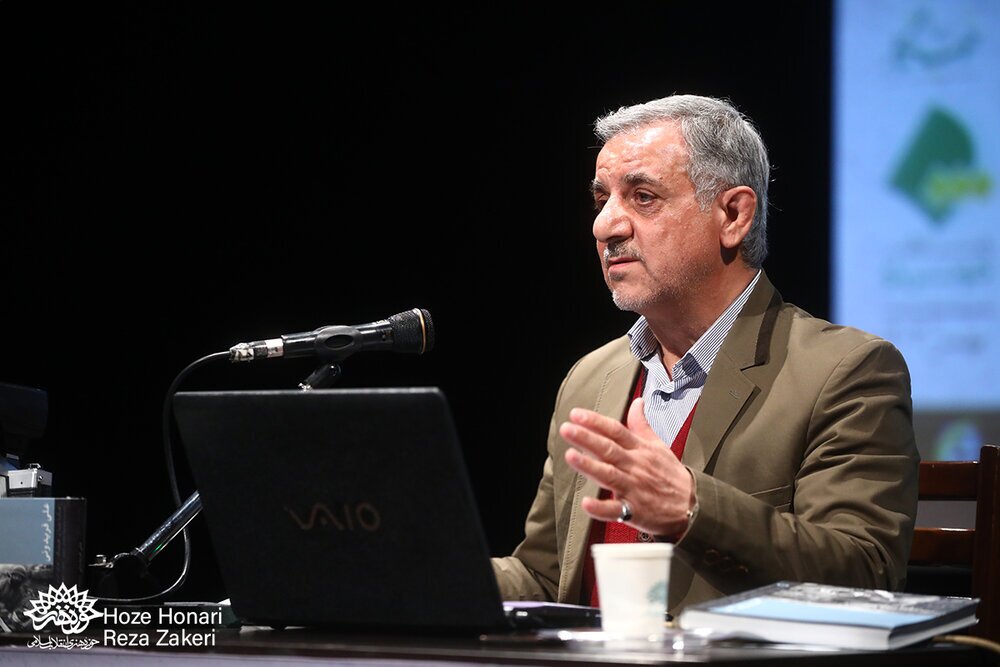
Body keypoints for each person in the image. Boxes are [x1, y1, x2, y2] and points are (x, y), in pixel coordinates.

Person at [491, 94, 919, 614]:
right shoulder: (591, 378)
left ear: (733, 215)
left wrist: (692, 508)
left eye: (642, 197)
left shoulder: (844, 371)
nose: (605, 226)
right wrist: (417, 570)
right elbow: (544, 578)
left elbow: (864, 574)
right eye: (602, 199)